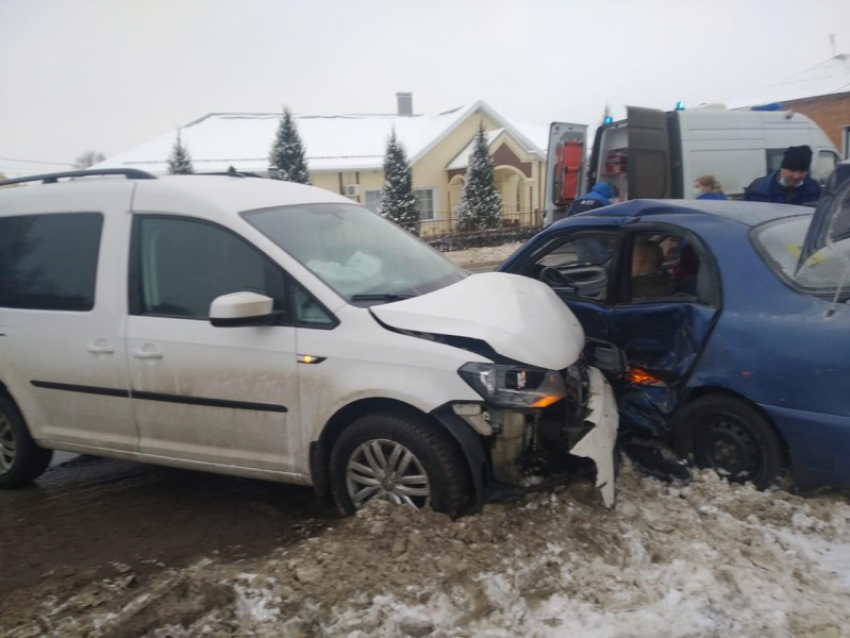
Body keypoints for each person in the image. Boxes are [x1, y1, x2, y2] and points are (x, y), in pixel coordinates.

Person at [744, 145, 821, 205]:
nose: (796, 176)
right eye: (792, 170)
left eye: (802, 171)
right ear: (782, 168)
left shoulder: (816, 192)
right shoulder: (756, 190)